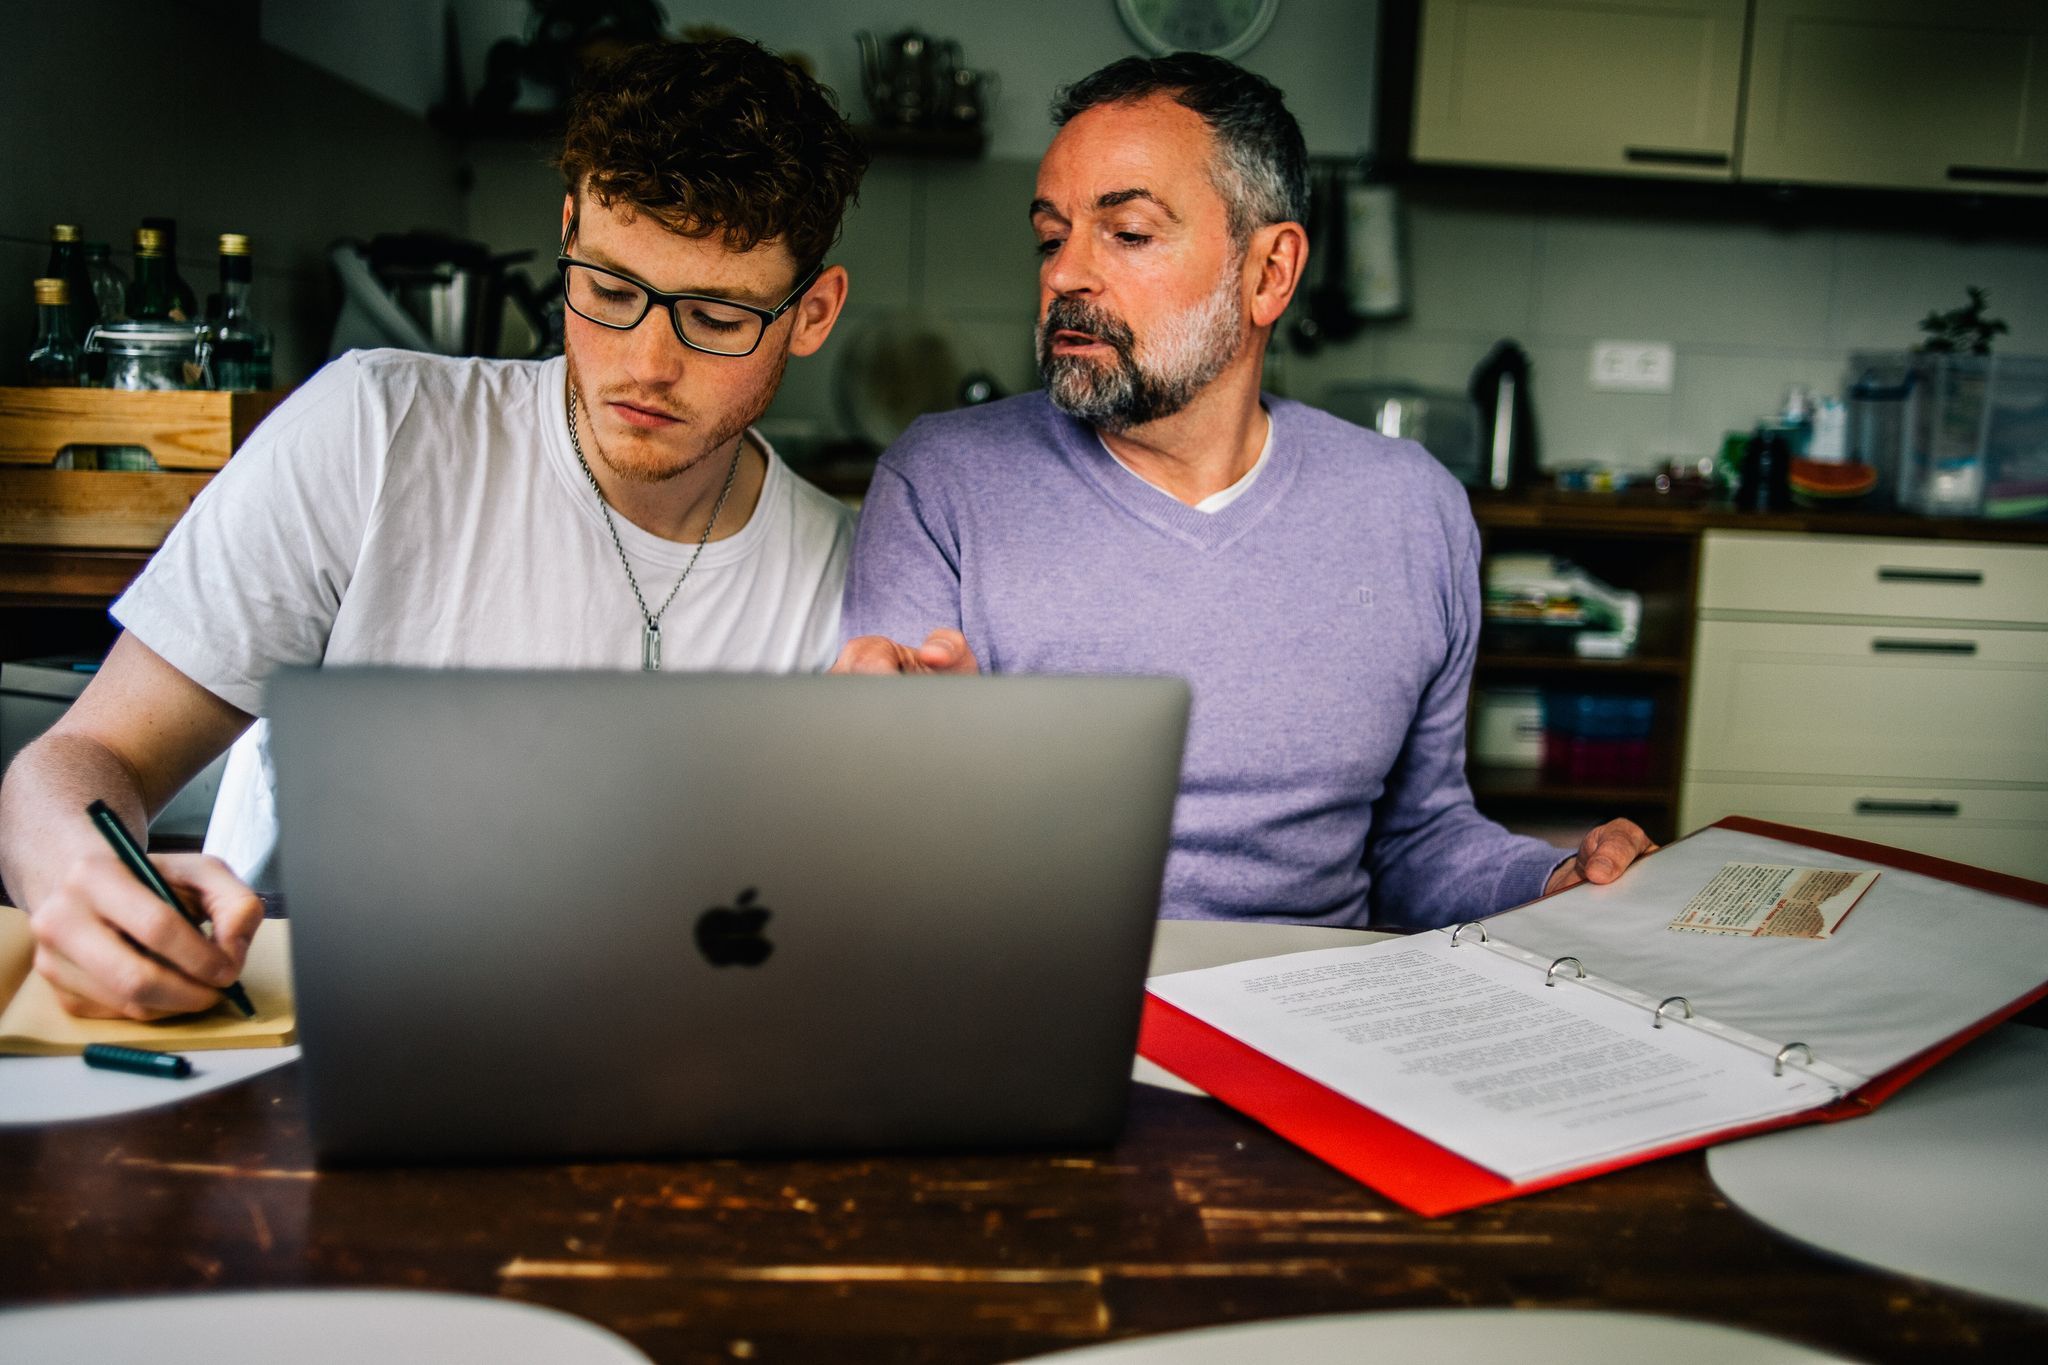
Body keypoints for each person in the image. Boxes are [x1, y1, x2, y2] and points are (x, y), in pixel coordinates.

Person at [0, 37, 867, 1019]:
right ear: (569, 230)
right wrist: (75, 868)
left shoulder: (840, 579)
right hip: (298, 1043)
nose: (644, 364)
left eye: (714, 318)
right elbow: (78, 761)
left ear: (812, 312)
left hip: (652, 1056)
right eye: (610, 291)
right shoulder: (374, 431)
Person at [835, 53, 1653, 929]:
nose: (1064, 274)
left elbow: (1418, 838)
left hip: (1318, 1023)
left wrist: (1557, 879)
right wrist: (943, 780)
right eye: (1051, 235)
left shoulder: (1413, 510)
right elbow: (871, 856)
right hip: (1049, 1012)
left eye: (1129, 232)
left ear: (1269, 273)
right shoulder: (941, 482)